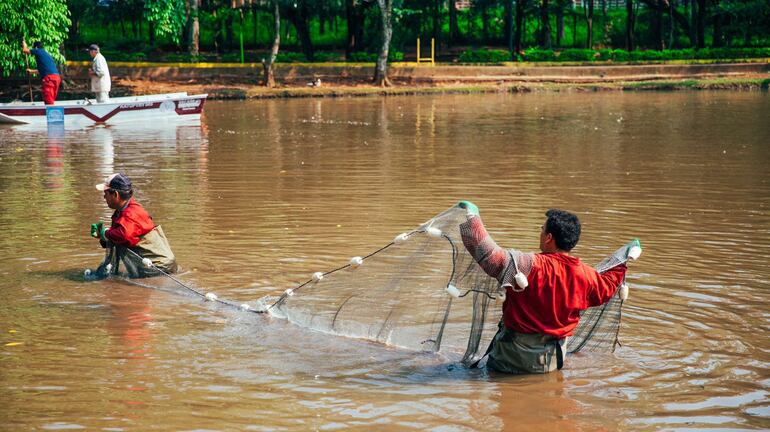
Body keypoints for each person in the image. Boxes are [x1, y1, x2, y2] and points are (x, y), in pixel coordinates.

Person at [456, 201, 630, 374]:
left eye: (542, 229)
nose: (540, 233)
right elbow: (609, 284)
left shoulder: (525, 265)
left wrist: (473, 218)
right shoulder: (587, 276)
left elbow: (488, 254)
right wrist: (624, 257)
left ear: (549, 238)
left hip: (509, 359)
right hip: (551, 363)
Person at [91, 173, 177, 278]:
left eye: (106, 193)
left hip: (159, 267)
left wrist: (105, 233)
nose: (104, 197)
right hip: (152, 265)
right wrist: (102, 236)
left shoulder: (132, 213)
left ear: (116, 195)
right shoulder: (121, 212)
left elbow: (124, 236)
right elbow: (117, 238)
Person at [21, 40, 61, 105]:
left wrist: (24, 44)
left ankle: (50, 113)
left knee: (49, 100)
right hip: (56, 78)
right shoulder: (47, 54)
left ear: (36, 47)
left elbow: (25, 50)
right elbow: (43, 70)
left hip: (49, 79)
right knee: (51, 98)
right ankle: (50, 111)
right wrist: (31, 71)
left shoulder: (38, 51)